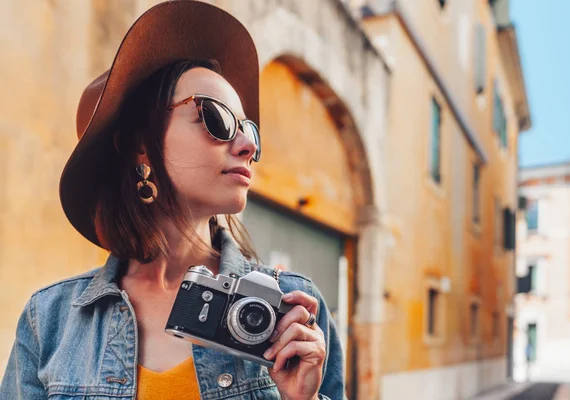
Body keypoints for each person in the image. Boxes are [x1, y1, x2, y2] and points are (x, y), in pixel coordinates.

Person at [0, 1, 345, 399]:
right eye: (216, 118)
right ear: (139, 146)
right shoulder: (50, 320)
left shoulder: (293, 311)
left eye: (249, 128)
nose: (248, 144)